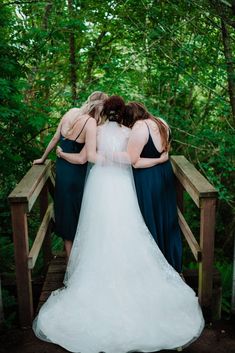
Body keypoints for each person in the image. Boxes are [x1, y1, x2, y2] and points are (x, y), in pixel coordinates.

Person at [33, 96, 204, 353]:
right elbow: (132, 158)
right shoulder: (129, 130)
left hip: (100, 182)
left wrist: (104, 160)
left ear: (105, 112)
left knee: (97, 229)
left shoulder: (97, 129)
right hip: (123, 183)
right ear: (122, 112)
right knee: (128, 225)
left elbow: (89, 156)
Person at [33, 91, 108, 259]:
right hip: (76, 174)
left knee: (66, 213)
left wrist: (43, 158)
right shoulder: (90, 124)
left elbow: (54, 138)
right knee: (76, 214)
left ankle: (70, 261)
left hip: (63, 172)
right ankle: (74, 262)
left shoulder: (71, 112)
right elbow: (83, 159)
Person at [125, 102, 183, 273]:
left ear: (132, 117)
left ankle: (151, 266)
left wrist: (156, 161)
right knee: (165, 216)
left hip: (147, 178)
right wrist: (160, 160)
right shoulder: (161, 122)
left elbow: (133, 162)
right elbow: (165, 151)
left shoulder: (139, 126)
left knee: (148, 217)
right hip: (164, 175)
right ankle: (170, 261)